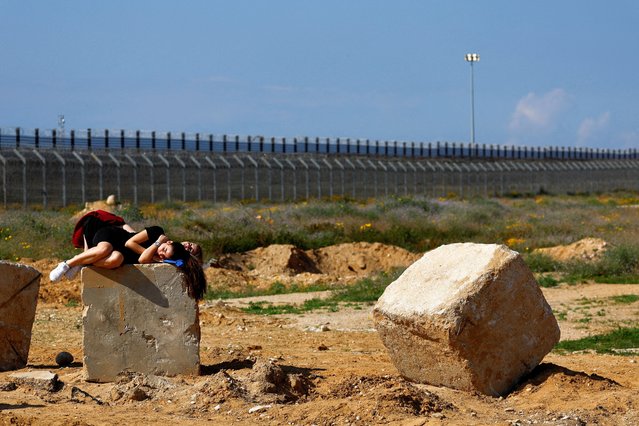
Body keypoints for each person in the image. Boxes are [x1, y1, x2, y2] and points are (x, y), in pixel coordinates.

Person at [50, 217, 207, 300]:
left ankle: (84, 262)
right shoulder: (158, 234)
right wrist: (158, 243)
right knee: (106, 249)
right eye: (190, 244)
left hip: (120, 253)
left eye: (191, 250)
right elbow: (130, 242)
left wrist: (159, 254)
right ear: (171, 242)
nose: (187, 247)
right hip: (113, 237)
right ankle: (67, 263)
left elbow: (144, 257)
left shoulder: (166, 256)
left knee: (116, 259)